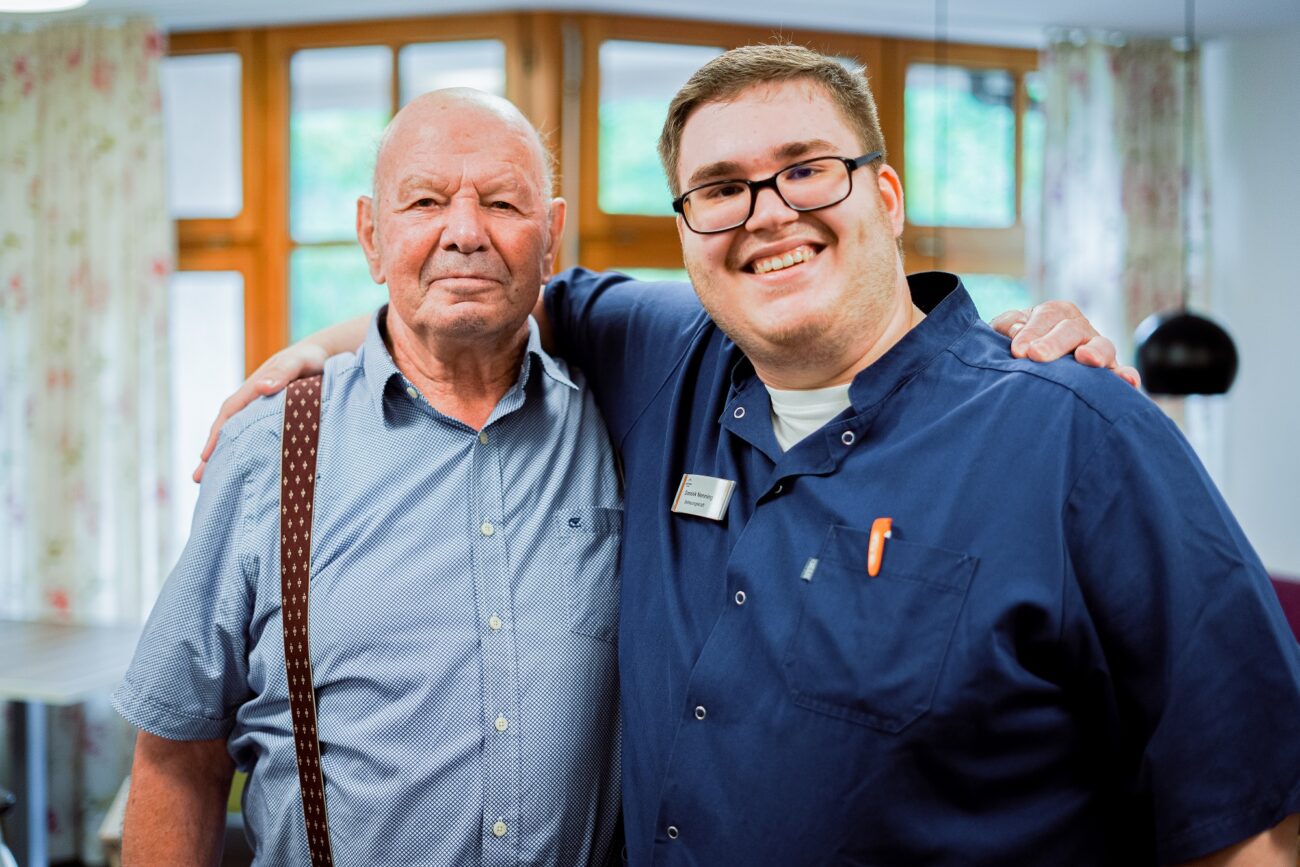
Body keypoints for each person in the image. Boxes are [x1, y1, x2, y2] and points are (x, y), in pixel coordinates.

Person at [189, 61, 1195, 867]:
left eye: (806, 169)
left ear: (885, 194)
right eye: (721, 188)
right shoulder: (662, 350)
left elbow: (1235, 809)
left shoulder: (1068, 426)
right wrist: (326, 350)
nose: (766, 212)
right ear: (686, 230)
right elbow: (470, 287)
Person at [113, 90, 624, 865]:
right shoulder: (270, 452)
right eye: (425, 201)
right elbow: (179, 754)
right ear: (370, 236)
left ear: (550, 235)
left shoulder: (623, 428)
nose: (464, 232)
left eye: (501, 202)